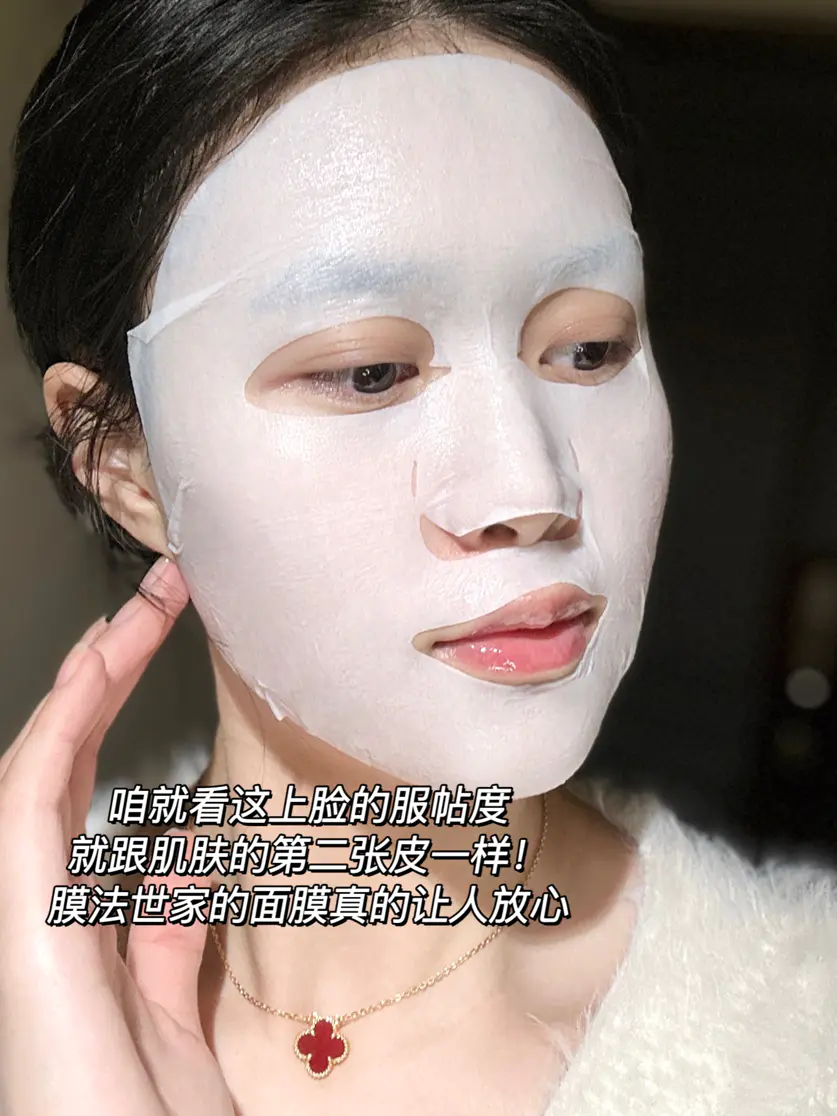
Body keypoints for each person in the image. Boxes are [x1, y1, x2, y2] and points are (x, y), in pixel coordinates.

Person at [2, 1, 835, 1113]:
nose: (529, 492)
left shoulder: (803, 1037)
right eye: (369, 373)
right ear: (130, 468)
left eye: (588, 349)